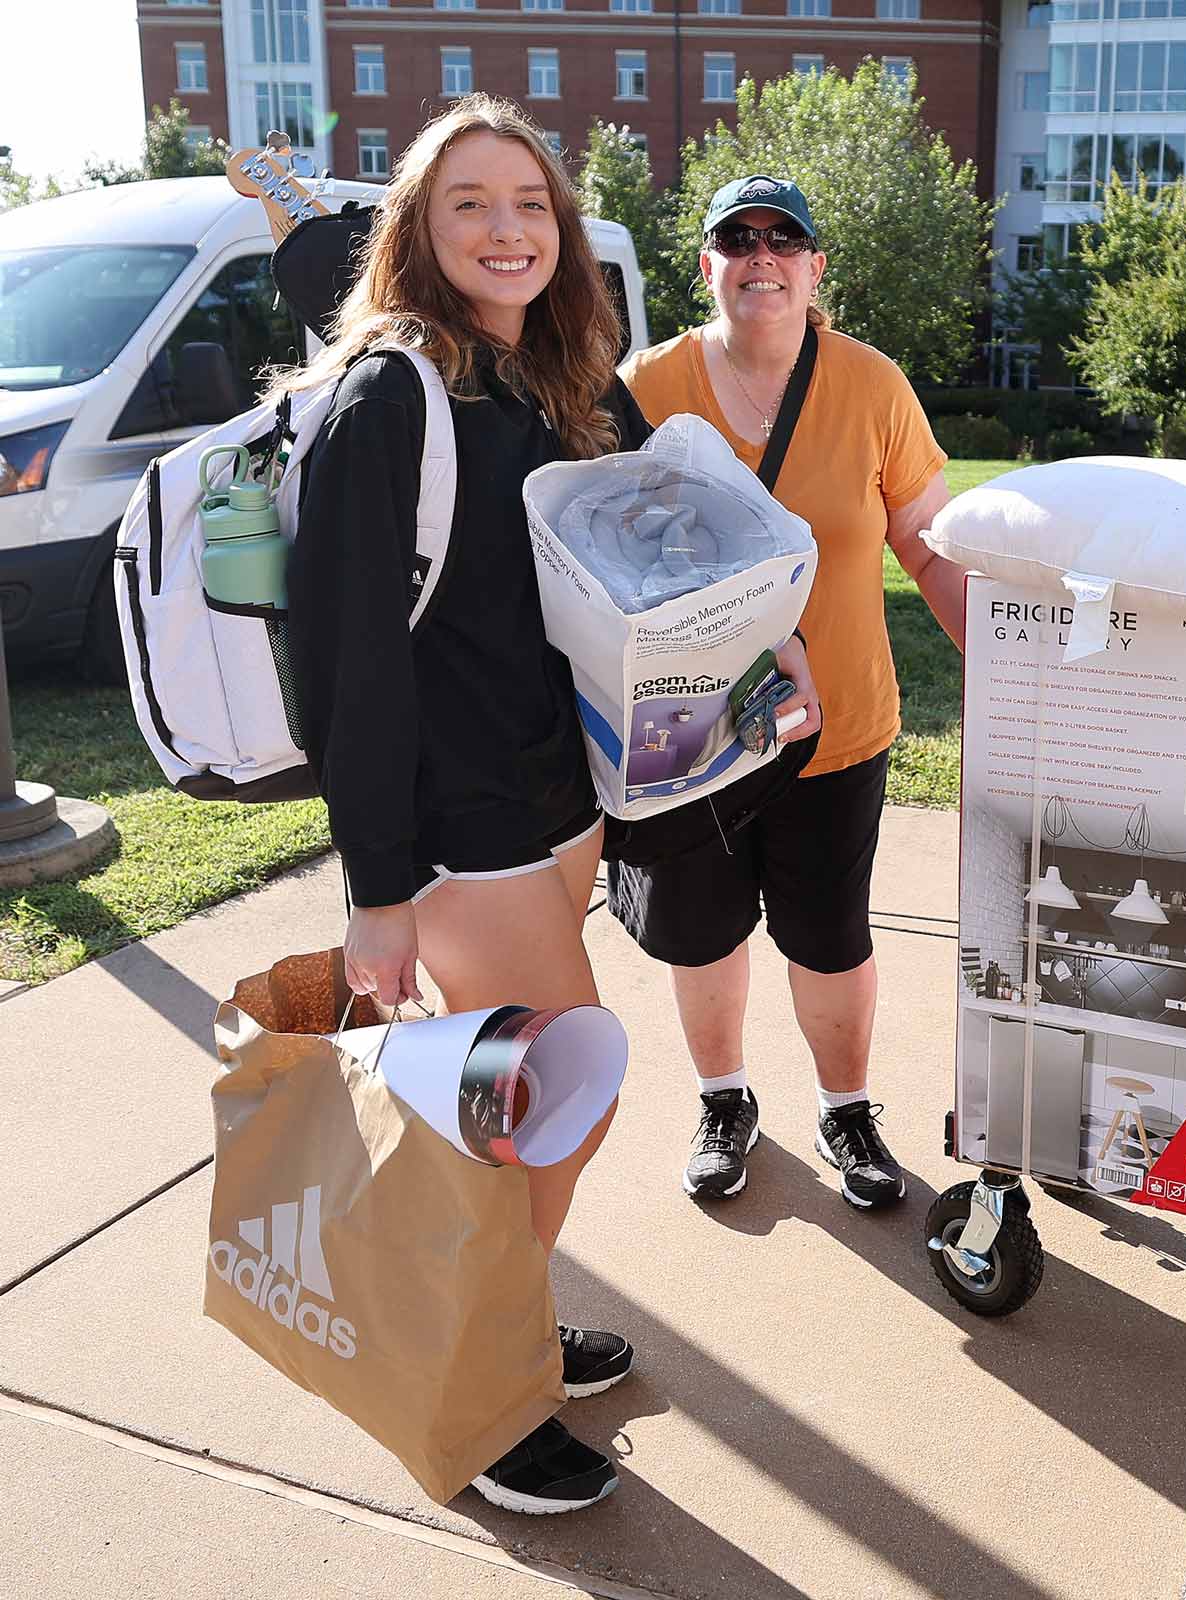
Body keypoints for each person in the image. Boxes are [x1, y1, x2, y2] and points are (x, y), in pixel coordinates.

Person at [280, 95, 660, 1516]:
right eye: (470, 205)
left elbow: (648, 549)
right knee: (557, 1096)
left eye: (530, 205)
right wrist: (378, 884)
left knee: (504, 1108)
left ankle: (503, 1326)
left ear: (562, 232)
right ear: (418, 234)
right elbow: (350, 664)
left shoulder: (556, 383)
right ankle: (478, 1389)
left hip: (555, 803)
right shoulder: (393, 394)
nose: (506, 230)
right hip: (456, 824)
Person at [615, 174, 966, 1210]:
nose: (760, 256)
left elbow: (929, 546)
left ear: (816, 268)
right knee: (704, 929)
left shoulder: (872, 387)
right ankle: (724, 1101)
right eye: (737, 238)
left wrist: (1002, 670)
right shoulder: (646, 387)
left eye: (784, 240)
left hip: (838, 728)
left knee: (828, 934)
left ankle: (848, 1108)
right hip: (691, 729)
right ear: (707, 265)